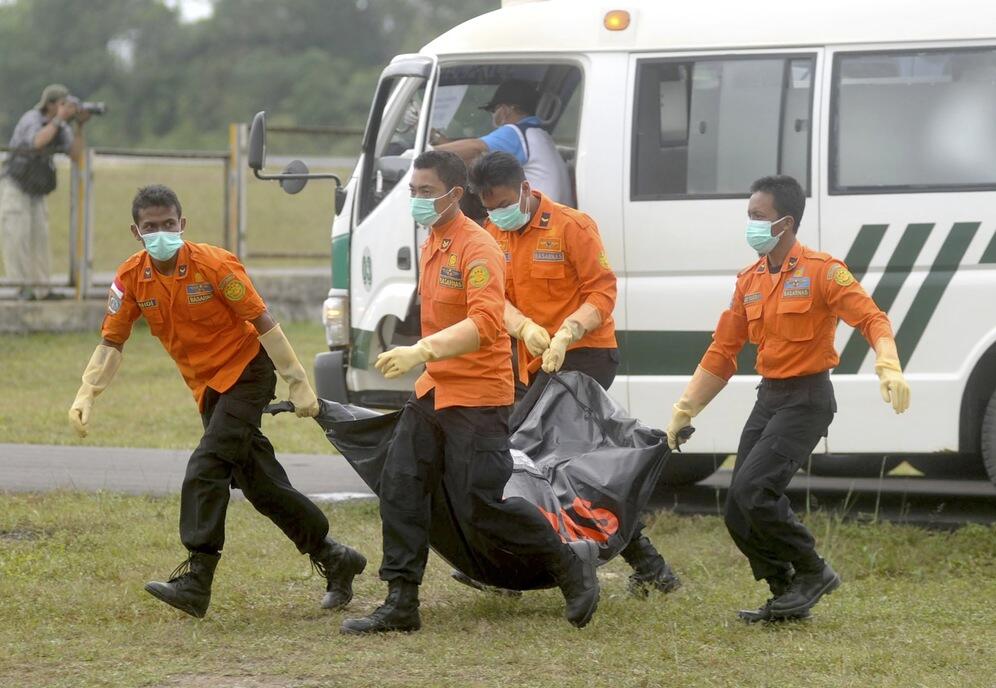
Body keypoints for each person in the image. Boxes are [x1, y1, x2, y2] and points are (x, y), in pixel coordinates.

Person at [67, 185, 365, 619]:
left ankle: (197, 579)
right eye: (151, 227)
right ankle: (337, 557)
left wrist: (298, 382)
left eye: (169, 224)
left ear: (182, 224)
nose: (161, 232)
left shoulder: (214, 264)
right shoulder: (131, 277)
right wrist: (87, 392)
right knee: (262, 485)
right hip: (207, 387)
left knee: (206, 466)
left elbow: (262, 321)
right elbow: (113, 340)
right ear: (136, 231)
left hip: (247, 372)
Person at [340, 151, 600, 634]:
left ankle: (568, 562)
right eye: (412, 191)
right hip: (435, 389)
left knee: (481, 503)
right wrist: (427, 361)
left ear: (454, 194)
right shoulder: (433, 241)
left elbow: (483, 323)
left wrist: (421, 349)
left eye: (424, 191)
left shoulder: (477, 247)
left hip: (479, 396)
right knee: (400, 484)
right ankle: (401, 600)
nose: (415, 199)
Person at [665, 175, 911, 623]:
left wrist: (888, 362)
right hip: (770, 397)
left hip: (807, 398)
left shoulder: (822, 270)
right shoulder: (750, 280)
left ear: (785, 222)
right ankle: (786, 591)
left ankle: (813, 571)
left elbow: (871, 318)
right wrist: (685, 409)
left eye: (758, 216)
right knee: (737, 509)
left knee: (753, 491)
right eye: (749, 216)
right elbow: (723, 351)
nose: (750, 225)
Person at [468, 151, 681, 598]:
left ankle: (513, 565)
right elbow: (493, 298)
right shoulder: (493, 232)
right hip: (532, 363)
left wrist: (568, 330)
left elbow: (602, 290)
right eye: (488, 208)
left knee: (523, 455)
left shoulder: (572, 226)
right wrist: (522, 326)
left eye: (503, 202)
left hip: (584, 358)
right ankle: (649, 567)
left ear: (526, 189)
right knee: (559, 468)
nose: (496, 214)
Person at [0, 84, 89, 300]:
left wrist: (78, 126)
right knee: (17, 237)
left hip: (36, 190)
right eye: (62, 104)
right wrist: (58, 120)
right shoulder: (31, 118)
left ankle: (42, 289)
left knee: (40, 239)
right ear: (50, 104)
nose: (66, 108)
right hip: (15, 186)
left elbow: (76, 155)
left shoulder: (62, 127)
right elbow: (37, 142)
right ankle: (21, 289)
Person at [432, 79, 572, 206]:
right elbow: (469, 156)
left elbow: (474, 148)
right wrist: (434, 137)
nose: (493, 115)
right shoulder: (537, 133)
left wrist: (425, 153)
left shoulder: (514, 132)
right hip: (553, 217)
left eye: (494, 110)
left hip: (541, 221)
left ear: (504, 110)